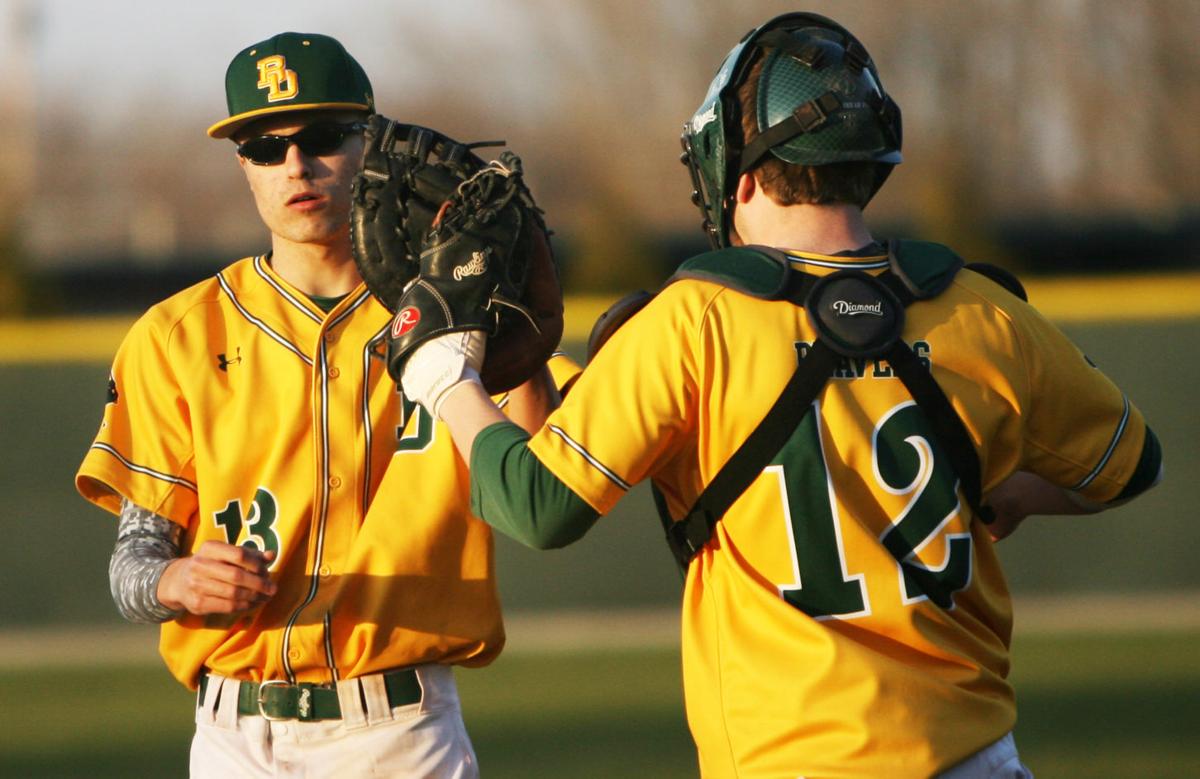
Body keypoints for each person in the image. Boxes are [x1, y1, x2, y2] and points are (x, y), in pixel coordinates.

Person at [395, 12, 1164, 778]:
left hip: (795, 758)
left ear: (741, 172)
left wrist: (444, 376)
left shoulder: (692, 321)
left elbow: (537, 504)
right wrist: (1014, 495)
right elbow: (1131, 467)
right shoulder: (985, 312)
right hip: (980, 757)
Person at [75, 31, 570, 778]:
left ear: (370, 143)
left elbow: (543, 491)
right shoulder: (177, 335)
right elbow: (132, 565)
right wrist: (173, 581)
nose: (295, 165)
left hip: (399, 733)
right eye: (264, 147)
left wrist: (516, 344)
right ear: (243, 165)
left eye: (323, 137)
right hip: (233, 737)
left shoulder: (453, 314)